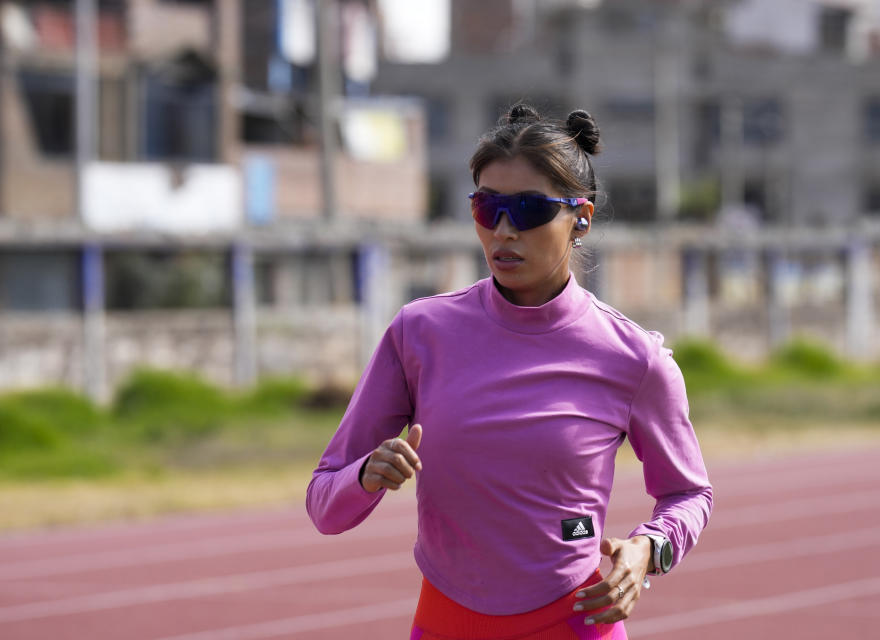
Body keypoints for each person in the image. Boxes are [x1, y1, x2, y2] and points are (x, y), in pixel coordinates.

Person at [306, 104, 713, 640]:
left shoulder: (635, 358)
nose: (502, 230)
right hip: (447, 623)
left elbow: (689, 495)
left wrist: (647, 550)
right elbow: (324, 506)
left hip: (576, 625)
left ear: (581, 217)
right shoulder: (419, 332)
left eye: (527, 210)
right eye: (486, 206)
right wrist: (366, 475)